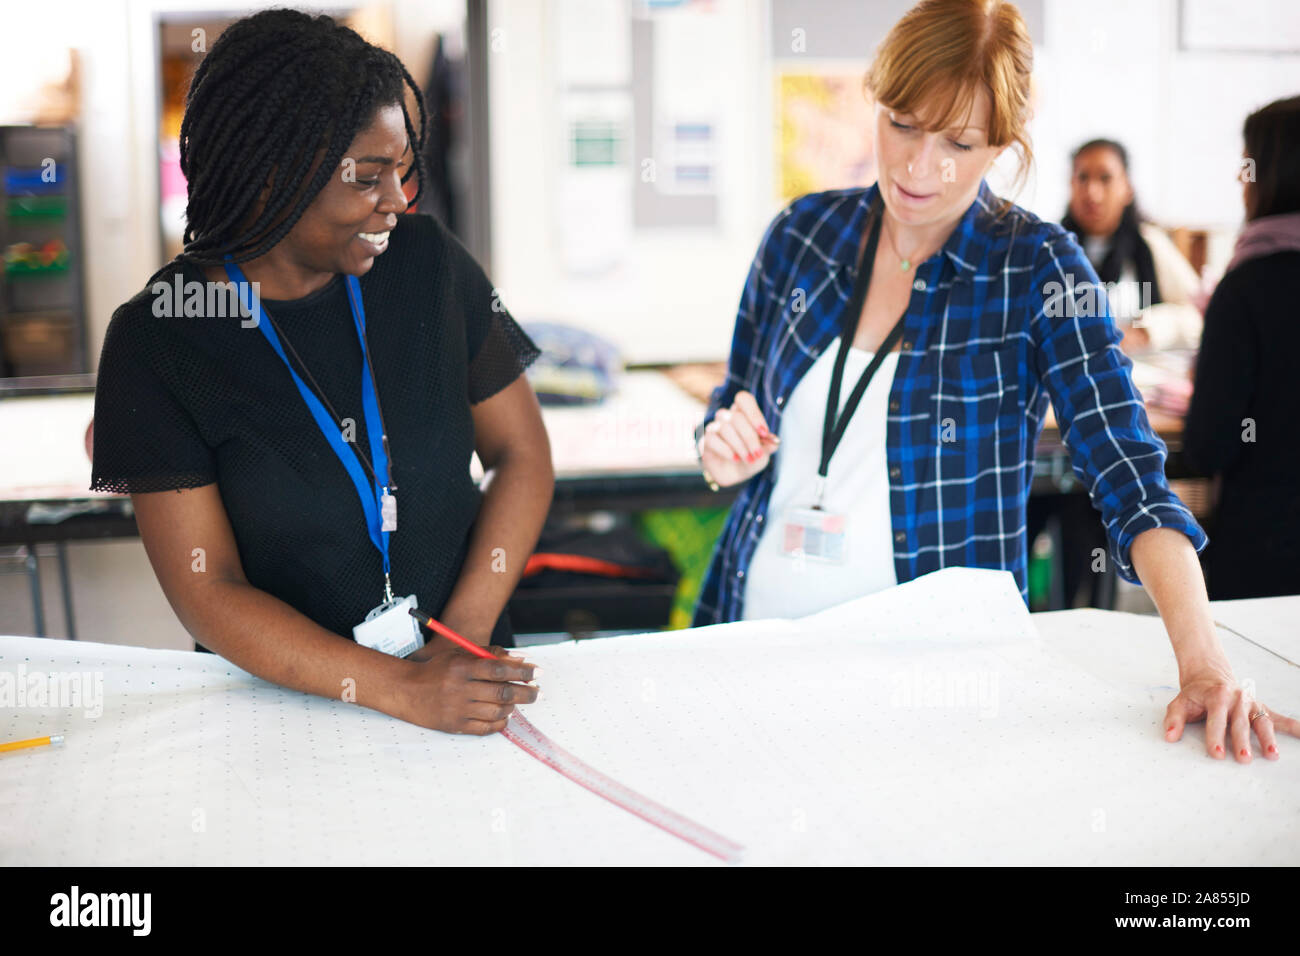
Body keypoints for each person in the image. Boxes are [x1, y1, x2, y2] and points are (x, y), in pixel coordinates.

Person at [693, 0, 1296, 761]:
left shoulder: (1038, 268)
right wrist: (720, 448)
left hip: (931, 681)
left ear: (1002, 145)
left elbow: (1127, 472)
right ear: (875, 103)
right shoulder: (802, 235)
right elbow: (733, 400)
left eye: (958, 141)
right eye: (903, 123)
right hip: (755, 641)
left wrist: (1204, 661)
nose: (919, 167)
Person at [90, 10, 552, 736]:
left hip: (462, 688)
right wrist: (401, 686)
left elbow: (523, 456)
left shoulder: (426, 263)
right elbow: (207, 587)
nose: (398, 201)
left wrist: (457, 641)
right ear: (270, 177)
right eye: (368, 178)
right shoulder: (162, 339)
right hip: (280, 716)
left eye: (402, 170)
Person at [1183, 95, 1300, 600]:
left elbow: (1210, 443)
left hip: (1265, 553)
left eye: (1248, 164)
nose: (1240, 179)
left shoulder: (1248, 287)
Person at [1061, 139, 1204, 354]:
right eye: (1082, 178)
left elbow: (1200, 314)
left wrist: (1146, 330)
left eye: (1105, 178)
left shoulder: (1149, 244)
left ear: (1127, 188)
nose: (1092, 192)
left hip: (1137, 376)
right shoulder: (1053, 248)